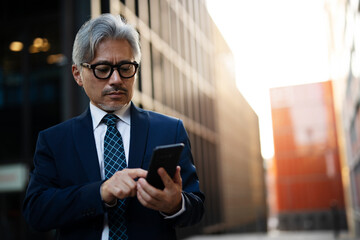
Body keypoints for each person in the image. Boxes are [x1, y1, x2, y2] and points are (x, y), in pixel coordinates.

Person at [22, 13, 204, 240]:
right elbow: (36, 212)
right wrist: (101, 192)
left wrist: (176, 204)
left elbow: (196, 208)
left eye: (126, 67)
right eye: (103, 68)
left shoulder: (169, 130)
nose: (116, 79)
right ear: (78, 74)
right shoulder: (55, 141)